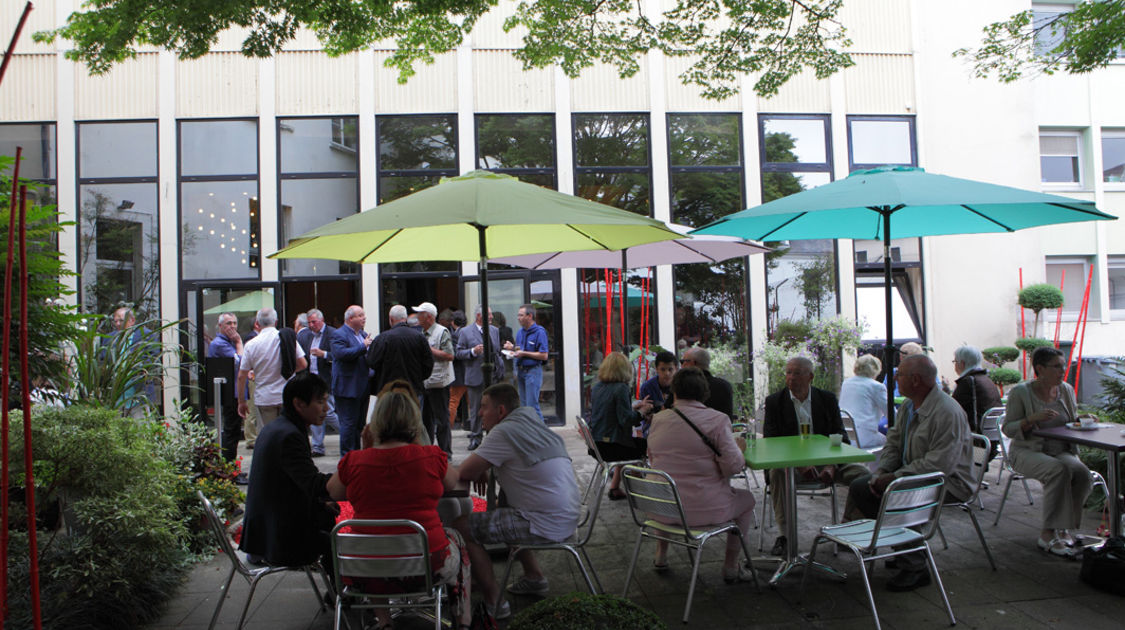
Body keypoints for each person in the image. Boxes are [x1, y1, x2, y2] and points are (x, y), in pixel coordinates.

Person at [327, 390, 472, 630]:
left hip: (364, 568)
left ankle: (384, 622)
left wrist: (366, 450)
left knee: (374, 550)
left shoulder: (354, 461)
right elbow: (453, 481)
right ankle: (463, 621)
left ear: (376, 423)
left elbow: (333, 492)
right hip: (427, 564)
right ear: (414, 422)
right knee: (458, 538)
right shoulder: (430, 456)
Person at [845, 355, 974, 591]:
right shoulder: (909, 405)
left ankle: (915, 566)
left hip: (948, 482)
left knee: (892, 495)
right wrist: (884, 470)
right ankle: (904, 546)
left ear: (915, 380)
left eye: (899, 374)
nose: (894, 378)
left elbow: (940, 465)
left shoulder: (946, 412)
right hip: (914, 475)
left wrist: (895, 478)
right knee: (863, 486)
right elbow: (893, 442)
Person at [452, 383, 579, 619]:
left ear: (501, 411)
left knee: (462, 526)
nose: (479, 413)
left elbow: (462, 473)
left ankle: (493, 601)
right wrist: (485, 464)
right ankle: (534, 577)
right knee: (505, 507)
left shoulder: (504, 431)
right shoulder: (530, 420)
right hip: (568, 517)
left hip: (546, 524)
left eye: (484, 407)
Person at [647, 367, 755, 582]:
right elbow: (733, 467)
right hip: (702, 509)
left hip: (658, 506)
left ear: (674, 392)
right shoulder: (718, 420)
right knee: (747, 500)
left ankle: (661, 554)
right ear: (705, 393)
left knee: (668, 483)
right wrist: (739, 449)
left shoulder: (658, 420)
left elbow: (652, 458)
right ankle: (731, 566)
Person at [1002, 346, 1093, 557]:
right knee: (1058, 470)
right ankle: (1047, 533)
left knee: (1082, 474)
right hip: (1027, 450)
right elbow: (1008, 429)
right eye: (1057, 367)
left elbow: (1071, 422)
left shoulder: (1066, 390)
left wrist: (1084, 421)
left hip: (1061, 449)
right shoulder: (1021, 392)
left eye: (1064, 366)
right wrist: (1030, 420)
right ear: (1040, 369)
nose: (1063, 371)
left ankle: (1064, 528)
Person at [239, 371, 336, 567]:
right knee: (341, 542)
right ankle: (344, 596)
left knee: (328, 512)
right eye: (320, 402)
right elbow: (313, 484)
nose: (326, 408)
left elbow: (298, 483)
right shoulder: (289, 435)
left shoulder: (278, 427)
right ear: (299, 403)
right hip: (274, 541)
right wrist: (350, 474)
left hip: (264, 532)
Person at [762, 356, 850, 558]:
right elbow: (772, 441)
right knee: (777, 473)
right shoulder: (775, 402)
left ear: (810, 376)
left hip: (827, 463)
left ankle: (849, 529)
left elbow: (841, 437)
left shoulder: (826, 399)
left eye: (798, 373)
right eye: (789, 372)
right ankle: (785, 537)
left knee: (862, 474)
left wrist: (831, 465)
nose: (791, 378)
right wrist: (799, 465)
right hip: (790, 466)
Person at [588, 352, 652, 500]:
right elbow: (625, 420)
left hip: (597, 446)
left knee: (629, 445)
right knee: (642, 447)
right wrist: (642, 412)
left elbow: (610, 413)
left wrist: (635, 408)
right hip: (612, 447)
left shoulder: (597, 387)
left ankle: (615, 488)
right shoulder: (621, 388)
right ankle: (639, 491)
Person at [237, 307, 307, 426]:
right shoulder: (286, 338)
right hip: (287, 394)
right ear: (276, 322)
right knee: (288, 432)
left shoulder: (251, 344)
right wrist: (285, 371)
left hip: (264, 397)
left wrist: (241, 401)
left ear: (257, 323)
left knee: (270, 435)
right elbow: (303, 364)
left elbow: (241, 376)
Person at [454, 305, 505, 451]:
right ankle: (476, 438)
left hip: (493, 377)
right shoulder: (465, 332)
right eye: (488, 314)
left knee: (494, 407)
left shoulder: (494, 331)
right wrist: (473, 351)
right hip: (475, 376)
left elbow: (496, 351)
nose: (491, 317)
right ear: (478, 316)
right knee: (476, 409)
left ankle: (493, 437)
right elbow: (458, 353)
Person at [367, 304, 434, 403]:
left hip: (388, 391)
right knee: (413, 418)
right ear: (405, 318)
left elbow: (372, 362)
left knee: (389, 418)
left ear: (391, 319)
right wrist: (418, 377)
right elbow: (428, 363)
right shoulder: (419, 337)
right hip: (413, 389)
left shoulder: (382, 338)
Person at [414, 302, 456, 454]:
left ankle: (445, 453)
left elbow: (450, 355)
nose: (417, 316)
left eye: (420, 313)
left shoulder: (441, 332)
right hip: (426, 382)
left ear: (429, 317)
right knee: (426, 420)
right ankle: (428, 451)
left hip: (439, 383)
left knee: (442, 419)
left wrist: (428, 349)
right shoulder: (421, 333)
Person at [331, 305, 372, 456]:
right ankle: (347, 457)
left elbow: (365, 358)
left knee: (359, 424)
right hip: (347, 388)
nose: (364, 318)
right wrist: (363, 346)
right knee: (348, 424)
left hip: (362, 386)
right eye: (360, 315)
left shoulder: (362, 334)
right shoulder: (339, 334)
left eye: (364, 314)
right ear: (350, 319)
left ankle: (357, 455)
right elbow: (341, 354)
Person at [298, 308, 339, 457]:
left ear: (321, 320)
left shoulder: (333, 334)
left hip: (326, 380)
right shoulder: (306, 336)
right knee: (314, 411)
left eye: (314, 322)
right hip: (312, 381)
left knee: (328, 412)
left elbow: (340, 355)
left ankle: (349, 432)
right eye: (309, 323)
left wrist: (324, 354)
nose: (311, 325)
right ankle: (317, 447)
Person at [951, 345, 1002, 459]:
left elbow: (952, 410)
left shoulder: (968, 382)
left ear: (962, 363)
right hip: (992, 443)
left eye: (955, 361)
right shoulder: (987, 380)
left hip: (976, 448)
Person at [208, 312, 244, 462]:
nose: (233, 327)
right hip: (228, 393)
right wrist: (239, 342)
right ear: (220, 325)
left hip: (233, 393)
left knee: (234, 431)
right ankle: (229, 467)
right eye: (229, 323)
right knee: (231, 432)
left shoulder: (227, 342)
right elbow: (241, 361)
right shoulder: (220, 343)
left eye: (235, 323)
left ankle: (230, 466)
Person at [505, 304, 549, 422]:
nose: (518, 318)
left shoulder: (540, 332)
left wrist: (524, 353)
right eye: (518, 315)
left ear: (529, 316)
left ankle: (542, 435)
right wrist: (512, 348)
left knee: (532, 407)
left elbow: (544, 355)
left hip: (533, 372)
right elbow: (520, 350)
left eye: (521, 315)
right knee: (524, 407)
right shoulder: (520, 332)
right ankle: (529, 434)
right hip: (521, 371)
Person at [838, 354, 888, 449]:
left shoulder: (846, 383)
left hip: (847, 436)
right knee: (893, 445)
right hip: (866, 437)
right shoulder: (876, 386)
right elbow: (890, 413)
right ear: (876, 370)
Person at [680, 346, 733, 418]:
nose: (681, 366)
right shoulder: (725, 386)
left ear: (693, 363)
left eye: (683, 362)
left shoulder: (683, 387)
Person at [447, 310, 468, 429]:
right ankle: (476, 426)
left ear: (453, 322)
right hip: (469, 372)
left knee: (453, 402)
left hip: (459, 373)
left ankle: (448, 426)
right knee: (473, 403)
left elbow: (455, 354)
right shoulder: (469, 332)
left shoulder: (454, 335)